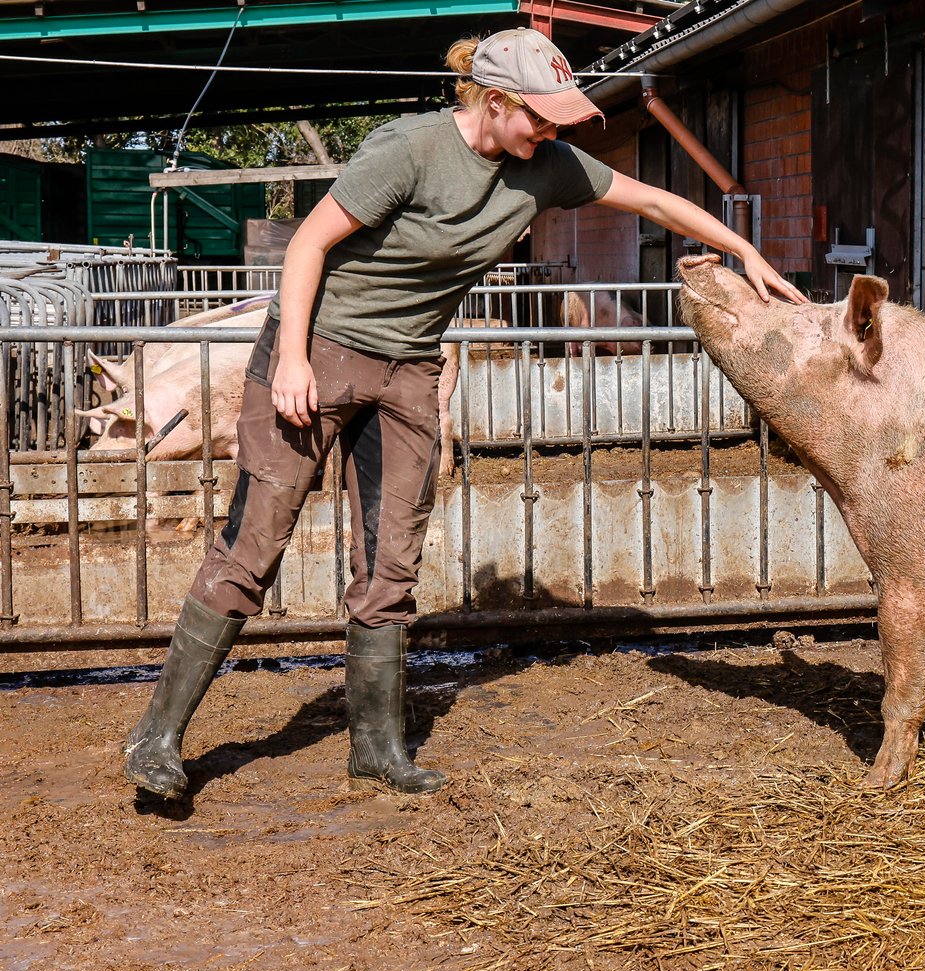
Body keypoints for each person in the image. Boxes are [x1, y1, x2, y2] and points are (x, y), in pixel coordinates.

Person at [123, 28, 806, 802]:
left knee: (391, 565)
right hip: (321, 347)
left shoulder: (544, 167)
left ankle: (376, 748)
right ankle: (158, 737)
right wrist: (289, 359)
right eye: (540, 118)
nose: (553, 132)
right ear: (494, 102)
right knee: (255, 547)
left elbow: (650, 198)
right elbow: (309, 241)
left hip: (410, 367)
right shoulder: (408, 150)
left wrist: (744, 251)